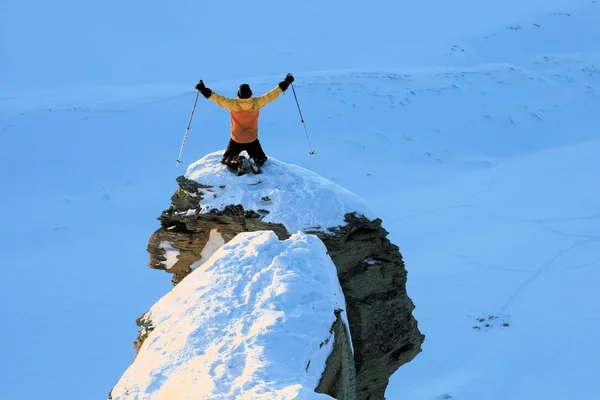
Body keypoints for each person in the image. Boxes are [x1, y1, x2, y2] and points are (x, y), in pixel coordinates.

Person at [195, 73, 295, 175]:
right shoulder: (257, 103)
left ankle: (239, 161)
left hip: (237, 139)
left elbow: (217, 99)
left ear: (238, 93)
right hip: (252, 139)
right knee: (262, 158)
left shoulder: (232, 104)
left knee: (226, 159)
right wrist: (286, 82)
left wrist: (203, 89)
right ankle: (255, 161)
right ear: (250, 93)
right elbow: (271, 95)